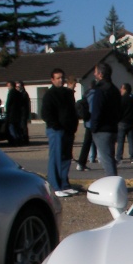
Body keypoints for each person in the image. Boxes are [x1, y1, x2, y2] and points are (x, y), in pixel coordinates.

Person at [41, 68, 78, 197]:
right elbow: (46, 113)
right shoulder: (49, 95)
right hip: (56, 130)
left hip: (68, 130)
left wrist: (73, 126)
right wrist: (55, 126)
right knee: (55, 158)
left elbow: (72, 111)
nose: (60, 80)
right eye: (57, 78)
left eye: (62, 77)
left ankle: (64, 184)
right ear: (52, 80)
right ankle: (54, 185)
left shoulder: (68, 93)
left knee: (66, 158)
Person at [90, 62, 122, 177]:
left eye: (96, 72)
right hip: (112, 127)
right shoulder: (114, 90)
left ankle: (111, 182)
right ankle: (112, 179)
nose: (94, 74)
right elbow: (119, 110)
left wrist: (93, 127)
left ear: (100, 74)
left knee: (106, 159)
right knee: (110, 157)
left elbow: (97, 111)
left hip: (102, 129)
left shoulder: (101, 90)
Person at [75, 80, 97, 171]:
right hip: (94, 122)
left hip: (88, 122)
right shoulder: (95, 95)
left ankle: (81, 162)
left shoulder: (86, 94)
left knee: (87, 143)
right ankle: (82, 162)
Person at [116, 83, 133, 164]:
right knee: (131, 141)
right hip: (131, 122)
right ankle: (132, 158)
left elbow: (119, 111)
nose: (120, 90)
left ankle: (119, 157)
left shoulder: (122, 99)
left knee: (121, 141)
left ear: (125, 89)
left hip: (122, 122)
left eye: (121, 88)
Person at [62, 76, 80, 167]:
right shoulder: (67, 93)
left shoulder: (70, 93)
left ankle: (69, 155)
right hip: (68, 122)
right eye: (74, 84)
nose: (75, 86)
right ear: (69, 84)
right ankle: (67, 156)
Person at [4, 80, 22, 146]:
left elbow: (8, 103)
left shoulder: (11, 93)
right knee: (17, 127)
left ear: (11, 86)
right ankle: (19, 139)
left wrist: (7, 111)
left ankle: (14, 140)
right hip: (18, 113)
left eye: (8, 86)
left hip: (11, 113)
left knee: (11, 127)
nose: (7, 87)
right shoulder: (19, 93)